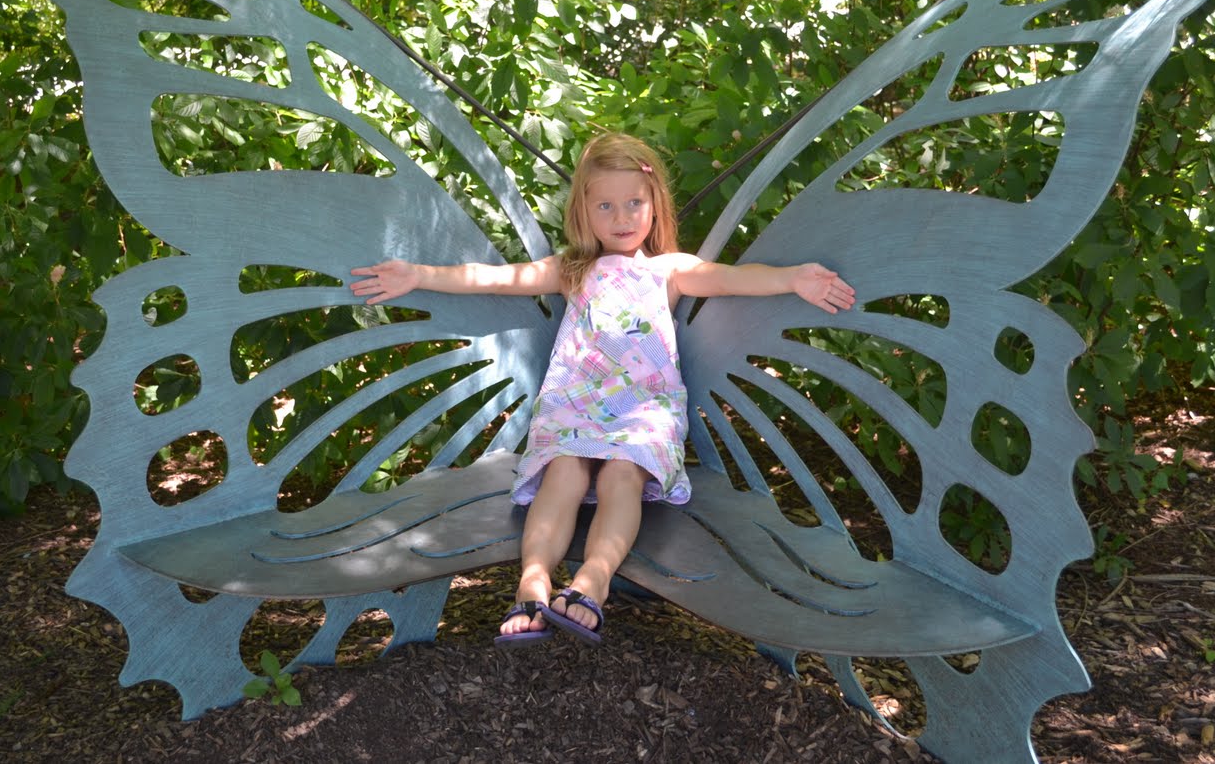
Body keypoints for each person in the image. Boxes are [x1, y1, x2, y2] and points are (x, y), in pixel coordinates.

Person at [350, 133, 856, 647]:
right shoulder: (574, 270)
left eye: (635, 203)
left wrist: (794, 278)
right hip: (574, 405)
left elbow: (731, 278)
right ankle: (532, 581)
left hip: (642, 410)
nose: (622, 217)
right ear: (584, 213)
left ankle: (594, 578)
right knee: (562, 476)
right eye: (606, 206)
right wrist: (417, 274)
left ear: (654, 205)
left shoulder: (667, 270)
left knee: (622, 477)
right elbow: (493, 278)